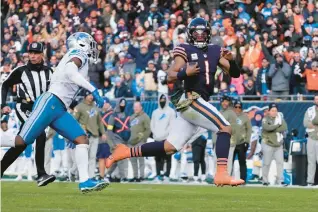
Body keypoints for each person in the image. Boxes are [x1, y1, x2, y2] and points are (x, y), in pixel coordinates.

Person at [105, 18, 245, 186]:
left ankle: (126, 151)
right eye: (196, 33)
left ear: (208, 35)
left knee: (170, 147)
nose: (200, 36)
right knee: (225, 127)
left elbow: (235, 74)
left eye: (203, 33)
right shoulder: (184, 49)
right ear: (190, 34)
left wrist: (231, 61)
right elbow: (170, 75)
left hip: (196, 105)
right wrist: (185, 72)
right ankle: (221, 173)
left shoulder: (215, 50)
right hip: (191, 99)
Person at [1, 32, 109, 193]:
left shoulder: (71, 56)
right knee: (21, 142)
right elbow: (71, 72)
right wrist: (93, 89)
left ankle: (85, 181)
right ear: (81, 44)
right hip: (50, 102)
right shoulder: (79, 54)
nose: (92, 46)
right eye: (89, 42)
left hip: (59, 108)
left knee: (81, 139)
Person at [1, 42, 56, 186]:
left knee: (21, 143)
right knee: (40, 133)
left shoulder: (50, 72)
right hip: (24, 107)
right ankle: (41, 174)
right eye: (30, 52)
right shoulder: (21, 71)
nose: (32, 56)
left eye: (36, 53)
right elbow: (5, 85)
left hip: (40, 109)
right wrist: (4, 104)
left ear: (42, 54)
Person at [74, 91, 107, 179]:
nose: (91, 97)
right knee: (83, 157)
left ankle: (90, 176)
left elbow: (99, 121)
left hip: (95, 135)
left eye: (92, 95)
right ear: (85, 96)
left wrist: (103, 132)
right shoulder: (79, 107)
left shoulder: (95, 107)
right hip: (84, 137)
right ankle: (75, 172)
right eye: (89, 95)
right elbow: (74, 121)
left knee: (92, 157)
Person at [105, 98, 131, 182]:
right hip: (116, 139)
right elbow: (109, 131)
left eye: (124, 104)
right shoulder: (113, 116)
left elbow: (129, 128)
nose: (122, 105)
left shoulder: (127, 115)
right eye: (121, 104)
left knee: (116, 159)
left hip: (125, 140)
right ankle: (123, 176)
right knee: (121, 158)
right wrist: (111, 143)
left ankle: (108, 174)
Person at [150, 94, 176, 180]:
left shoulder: (171, 112)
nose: (162, 102)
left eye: (164, 100)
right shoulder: (155, 112)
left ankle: (167, 175)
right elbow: (152, 125)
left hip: (167, 139)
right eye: (161, 100)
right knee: (157, 158)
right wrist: (156, 134)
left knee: (168, 158)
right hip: (157, 139)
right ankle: (159, 174)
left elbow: (172, 126)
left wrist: (165, 134)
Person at [261, 103, 288, 186]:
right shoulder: (265, 119)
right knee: (266, 163)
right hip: (268, 143)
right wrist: (277, 126)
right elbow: (267, 128)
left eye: (275, 110)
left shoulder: (280, 119)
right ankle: (265, 180)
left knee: (280, 162)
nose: (274, 112)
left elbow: (284, 127)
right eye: (272, 110)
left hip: (278, 144)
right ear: (269, 111)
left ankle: (280, 180)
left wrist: (273, 127)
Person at [128, 101, 151, 182]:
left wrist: (143, 139)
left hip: (140, 142)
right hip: (131, 142)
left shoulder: (145, 117)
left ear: (141, 107)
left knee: (140, 160)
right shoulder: (131, 117)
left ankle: (141, 176)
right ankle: (135, 176)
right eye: (134, 107)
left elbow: (148, 130)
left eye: (137, 107)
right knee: (133, 160)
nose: (136, 108)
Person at [232, 100, 251, 182]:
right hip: (231, 143)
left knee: (242, 162)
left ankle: (243, 179)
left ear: (242, 108)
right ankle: (229, 178)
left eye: (239, 107)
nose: (237, 109)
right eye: (236, 107)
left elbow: (249, 129)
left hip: (241, 143)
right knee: (229, 162)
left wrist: (247, 141)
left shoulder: (245, 117)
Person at [303, 95, 318, 186]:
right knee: (311, 161)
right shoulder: (310, 110)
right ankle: (310, 181)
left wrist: (312, 123)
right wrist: (314, 124)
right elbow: (305, 123)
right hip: (311, 137)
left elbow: (313, 121)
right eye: (316, 99)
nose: (317, 100)